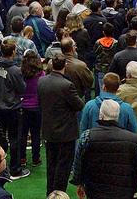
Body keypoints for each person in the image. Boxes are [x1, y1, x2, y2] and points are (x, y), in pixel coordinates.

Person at [71, 99, 137, 199]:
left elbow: (78, 163)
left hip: (95, 191)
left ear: (100, 115)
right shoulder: (131, 138)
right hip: (124, 191)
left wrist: (78, 182)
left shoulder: (87, 136)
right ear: (117, 116)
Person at [37, 55, 84, 195]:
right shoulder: (67, 85)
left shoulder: (42, 81)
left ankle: (50, 194)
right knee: (63, 166)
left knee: (51, 164)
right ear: (65, 66)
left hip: (48, 130)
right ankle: (59, 195)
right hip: (65, 132)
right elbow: (79, 105)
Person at [0, 37, 28, 179]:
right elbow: (22, 88)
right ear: (13, 52)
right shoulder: (15, 70)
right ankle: (15, 169)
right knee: (15, 139)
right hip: (12, 109)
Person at [17, 49, 44, 167]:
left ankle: (22, 158)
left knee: (22, 134)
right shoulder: (41, 74)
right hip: (37, 107)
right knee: (36, 133)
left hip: (23, 107)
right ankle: (36, 158)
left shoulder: (20, 73)